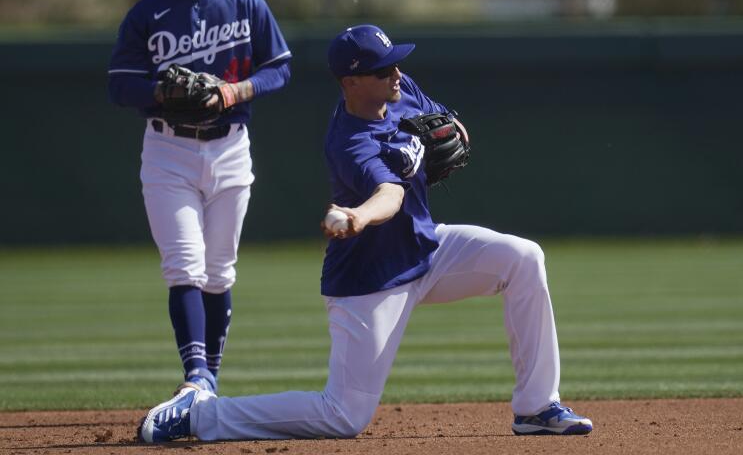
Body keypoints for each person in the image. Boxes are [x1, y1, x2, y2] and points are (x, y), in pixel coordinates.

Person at [137, 25, 591, 443]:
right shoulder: (349, 140)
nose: (395, 73)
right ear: (350, 81)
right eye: (381, 69)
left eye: (395, 62)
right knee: (343, 416)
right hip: (370, 279)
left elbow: (451, 128)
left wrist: (453, 137)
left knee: (523, 258)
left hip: (426, 249)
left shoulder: (401, 88)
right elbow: (390, 196)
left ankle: (535, 408)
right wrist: (357, 217)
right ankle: (198, 415)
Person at [108, 0, 292, 395]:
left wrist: (236, 91)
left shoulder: (243, 0)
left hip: (231, 146)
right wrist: (161, 93)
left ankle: (208, 379)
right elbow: (121, 85)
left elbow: (279, 68)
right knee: (184, 264)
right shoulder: (146, 13)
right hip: (169, 150)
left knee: (219, 270)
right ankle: (196, 375)